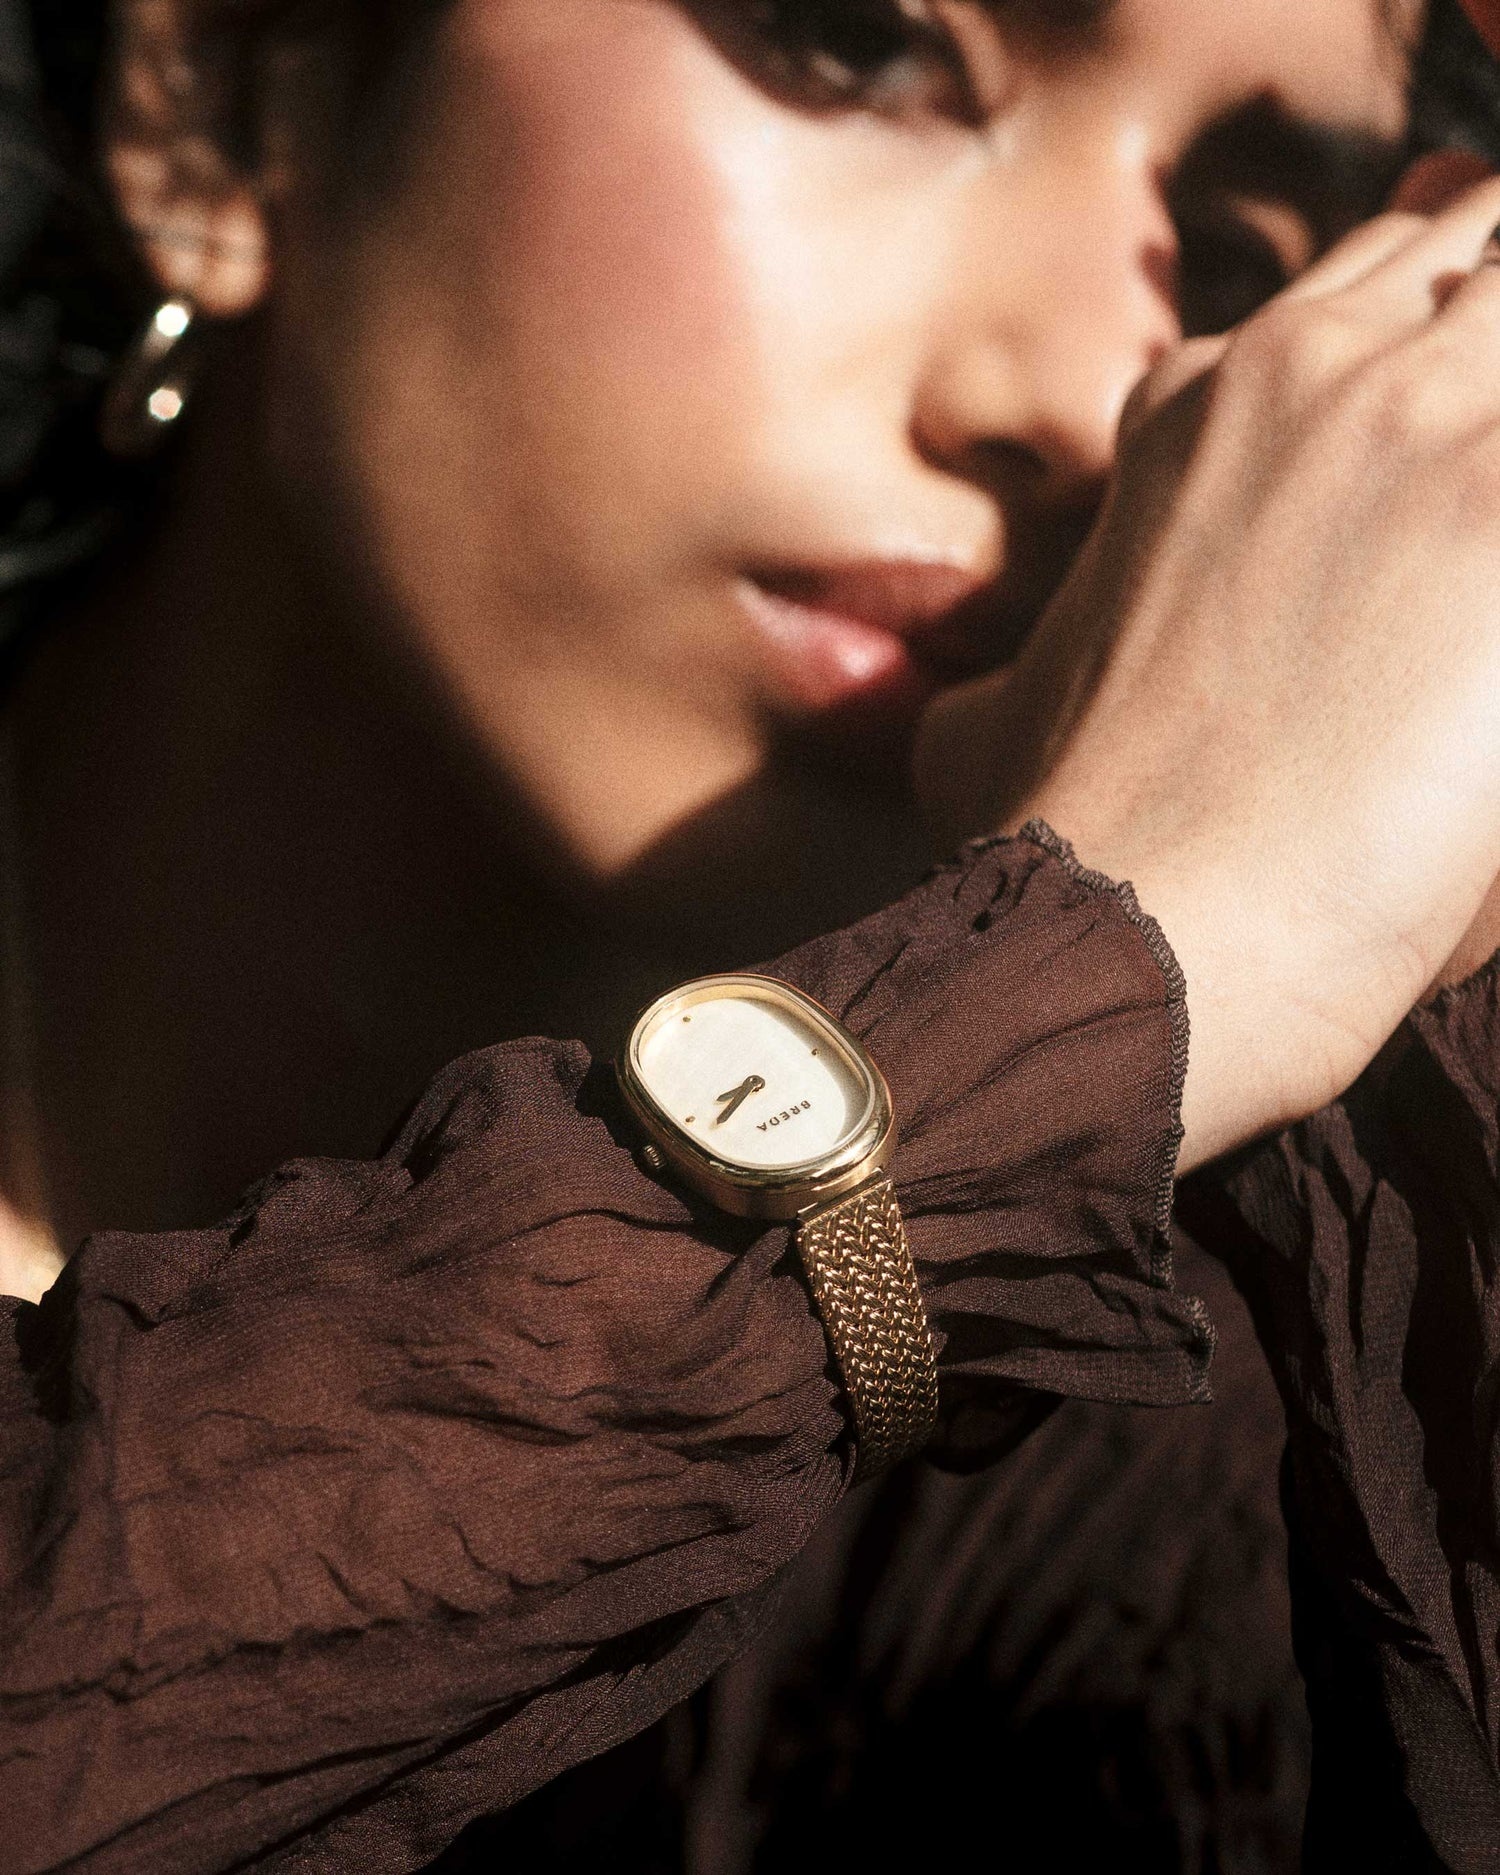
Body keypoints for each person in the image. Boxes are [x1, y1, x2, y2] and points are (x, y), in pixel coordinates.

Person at [4, 0, 1500, 1868]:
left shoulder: (1138, 1506)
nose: (1078, 392)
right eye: (863, 47)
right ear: (221, 87)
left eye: (1245, 256)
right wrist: (1084, 999)